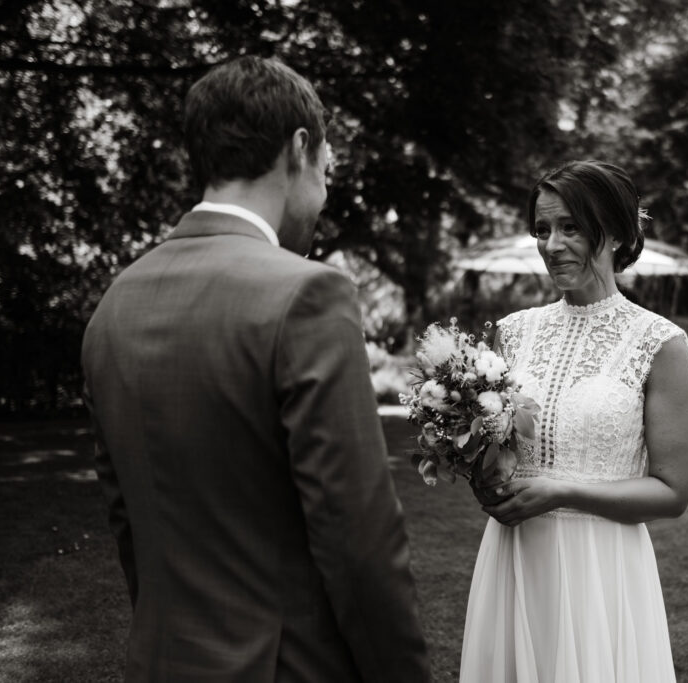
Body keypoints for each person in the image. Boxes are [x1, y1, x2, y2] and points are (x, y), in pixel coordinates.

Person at [81, 56, 430, 682]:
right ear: (299, 148)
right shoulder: (308, 295)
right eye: (328, 167)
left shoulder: (116, 302)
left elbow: (129, 523)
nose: (325, 191)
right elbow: (358, 541)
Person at [459, 160, 688, 682]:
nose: (552, 244)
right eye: (543, 230)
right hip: (515, 556)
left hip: (602, 567)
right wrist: (483, 477)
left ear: (613, 232)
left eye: (570, 227)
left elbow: (672, 492)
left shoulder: (659, 343)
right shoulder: (511, 333)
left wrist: (562, 493)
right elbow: (489, 448)